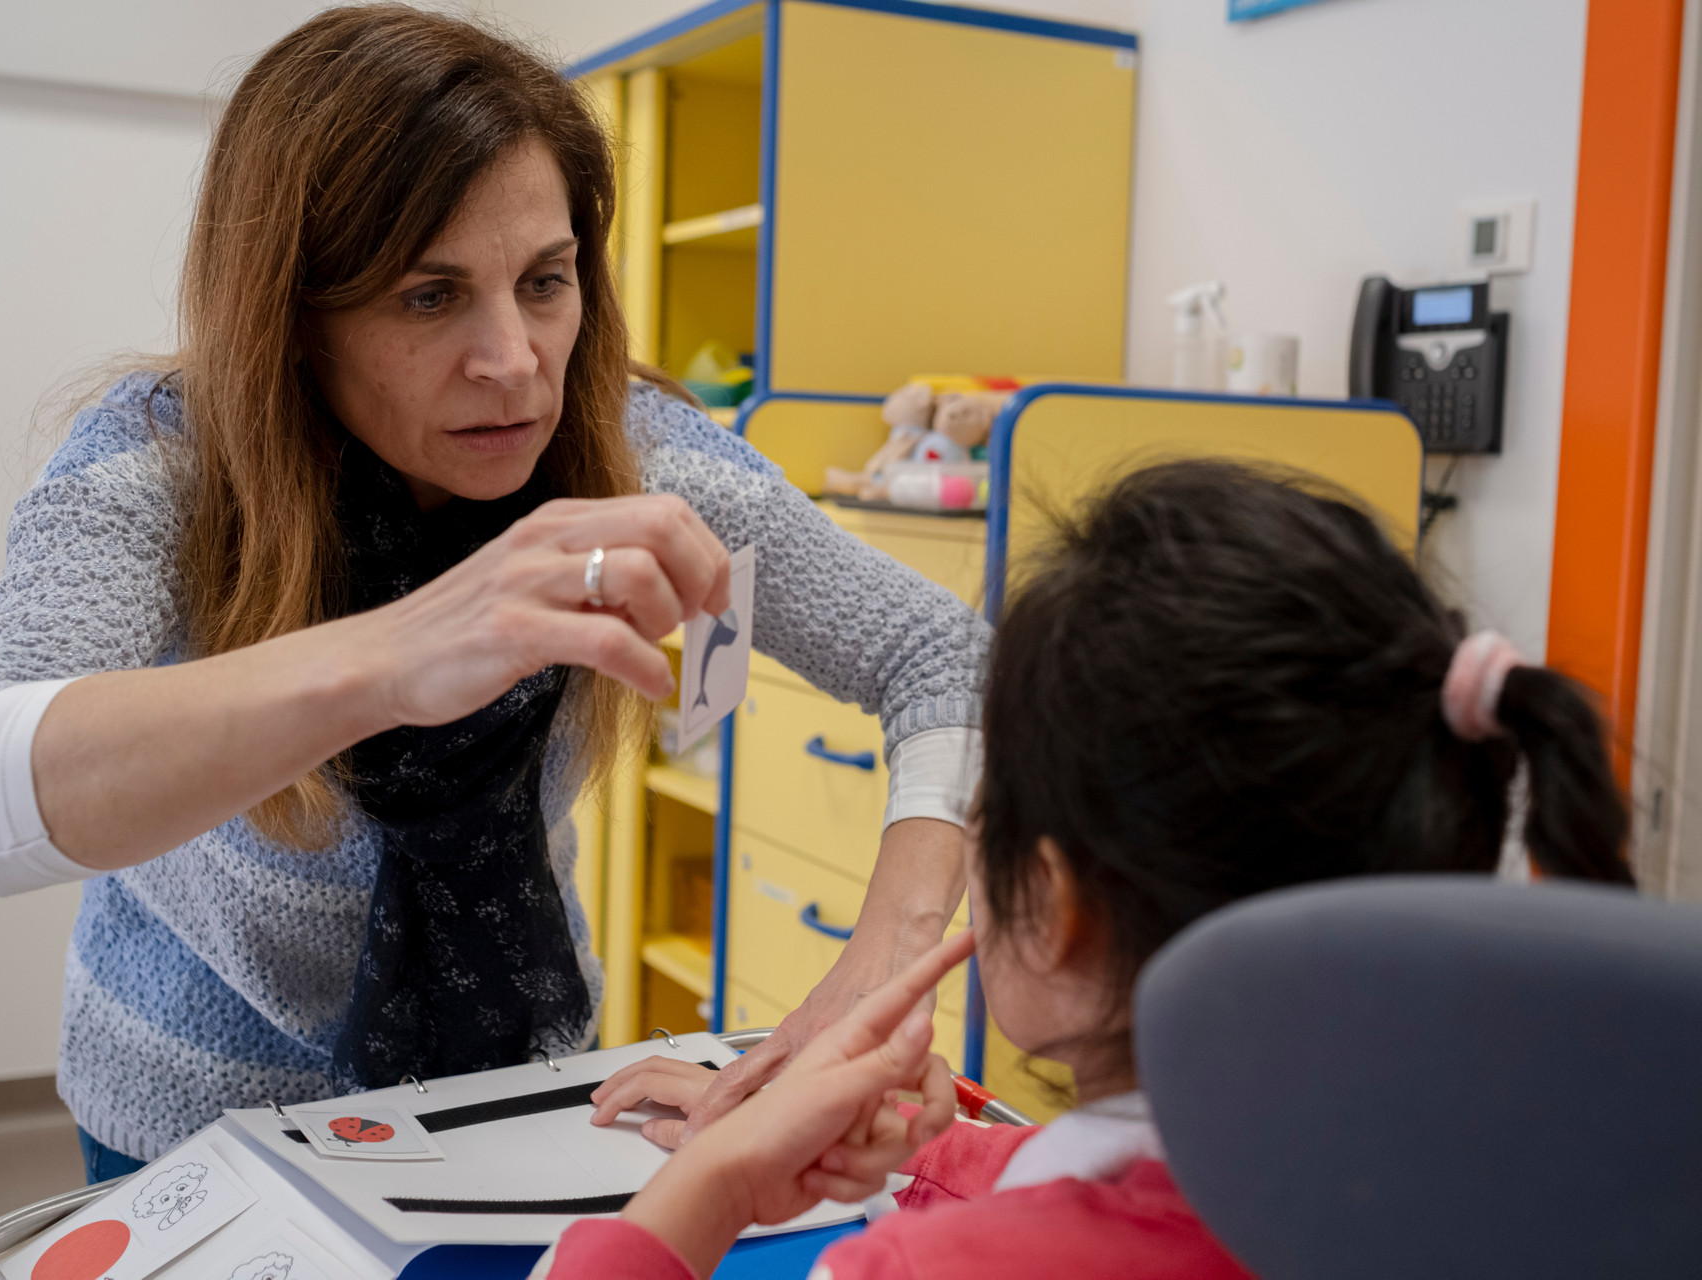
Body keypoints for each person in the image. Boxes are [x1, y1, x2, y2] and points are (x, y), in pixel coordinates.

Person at [0, 6, 987, 1179]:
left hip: (525, 1088)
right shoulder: (161, 464)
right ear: (294, 314)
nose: (513, 360)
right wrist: (390, 656)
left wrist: (879, 970)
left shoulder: (646, 457)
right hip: (189, 1124)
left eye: (546, 281)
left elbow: (943, 653)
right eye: (428, 295)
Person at [560, 460, 1633, 1278]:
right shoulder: (1535, 1191)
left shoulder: (912, 1271)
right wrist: (942, 1154)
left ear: (1057, 906)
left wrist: (712, 1184)